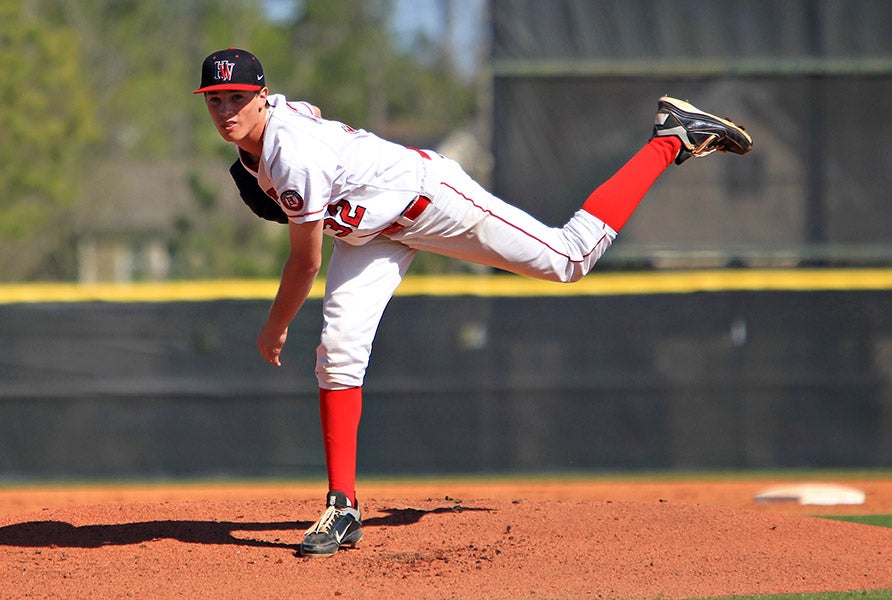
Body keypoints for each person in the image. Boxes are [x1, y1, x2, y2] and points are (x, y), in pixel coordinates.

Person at [194, 47, 753, 558]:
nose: (226, 110)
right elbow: (307, 111)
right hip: (372, 234)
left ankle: (670, 138)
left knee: (569, 258)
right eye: (215, 100)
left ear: (261, 96)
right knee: (338, 351)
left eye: (237, 97)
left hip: (432, 199)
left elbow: (305, 263)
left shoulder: (291, 155)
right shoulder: (262, 141)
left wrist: (275, 325)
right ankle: (342, 507)